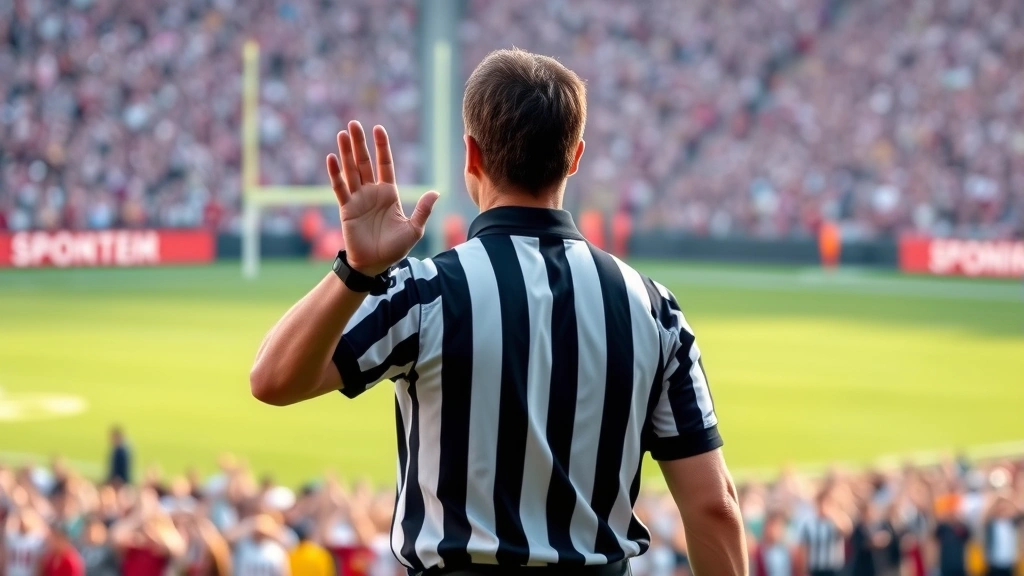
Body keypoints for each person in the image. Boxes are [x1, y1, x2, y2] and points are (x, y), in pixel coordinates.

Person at [250, 48, 747, 575]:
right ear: (575, 157)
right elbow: (713, 508)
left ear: (472, 155)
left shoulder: (427, 291)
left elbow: (272, 380)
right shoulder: (653, 308)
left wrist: (356, 270)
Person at [2, 508, 49, 576]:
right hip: (13, 572)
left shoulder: (37, 540)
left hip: (29, 573)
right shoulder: (12, 538)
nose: (23, 523)